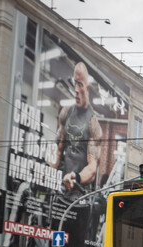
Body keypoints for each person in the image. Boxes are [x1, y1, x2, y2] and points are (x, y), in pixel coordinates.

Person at [50, 61, 102, 201]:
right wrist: (48, 170)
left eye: (80, 84)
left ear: (88, 89)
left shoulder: (93, 124)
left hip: (80, 193)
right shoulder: (66, 113)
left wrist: (76, 177)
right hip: (61, 188)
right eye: (75, 83)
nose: (76, 90)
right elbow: (58, 149)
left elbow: (92, 168)